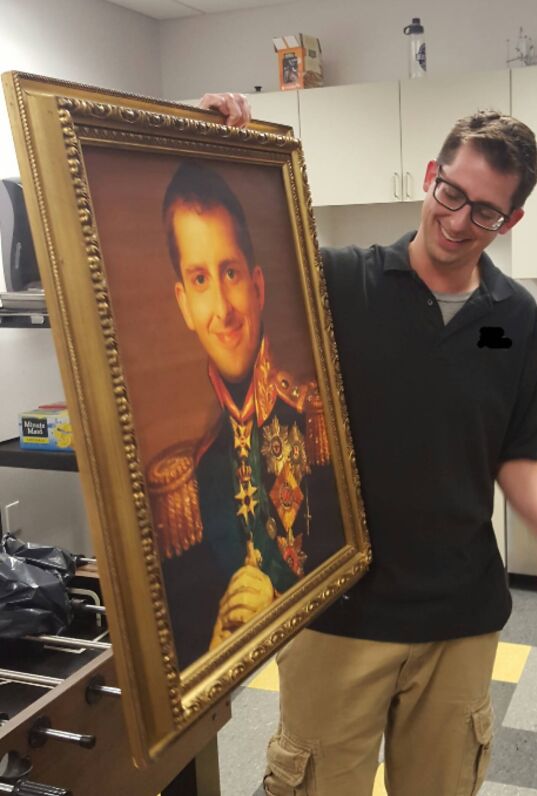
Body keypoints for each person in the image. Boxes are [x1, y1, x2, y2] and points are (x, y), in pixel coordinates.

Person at [199, 92, 537, 795]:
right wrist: (216, 145)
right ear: (430, 174)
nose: (457, 220)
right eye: (452, 193)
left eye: (486, 212)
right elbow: (234, 253)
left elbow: (516, 453)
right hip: (337, 612)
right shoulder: (338, 282)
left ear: (513, 219)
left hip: (459, 616)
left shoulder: (514, 316)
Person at [147, 159, 345, 669]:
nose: (222, 308)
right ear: (183, 304)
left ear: (257, 286)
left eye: (230, 273)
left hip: (330, 652)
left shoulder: (314, 419)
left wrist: (282, 606)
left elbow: (347, 559)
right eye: (199, 279)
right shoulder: (194, 473)